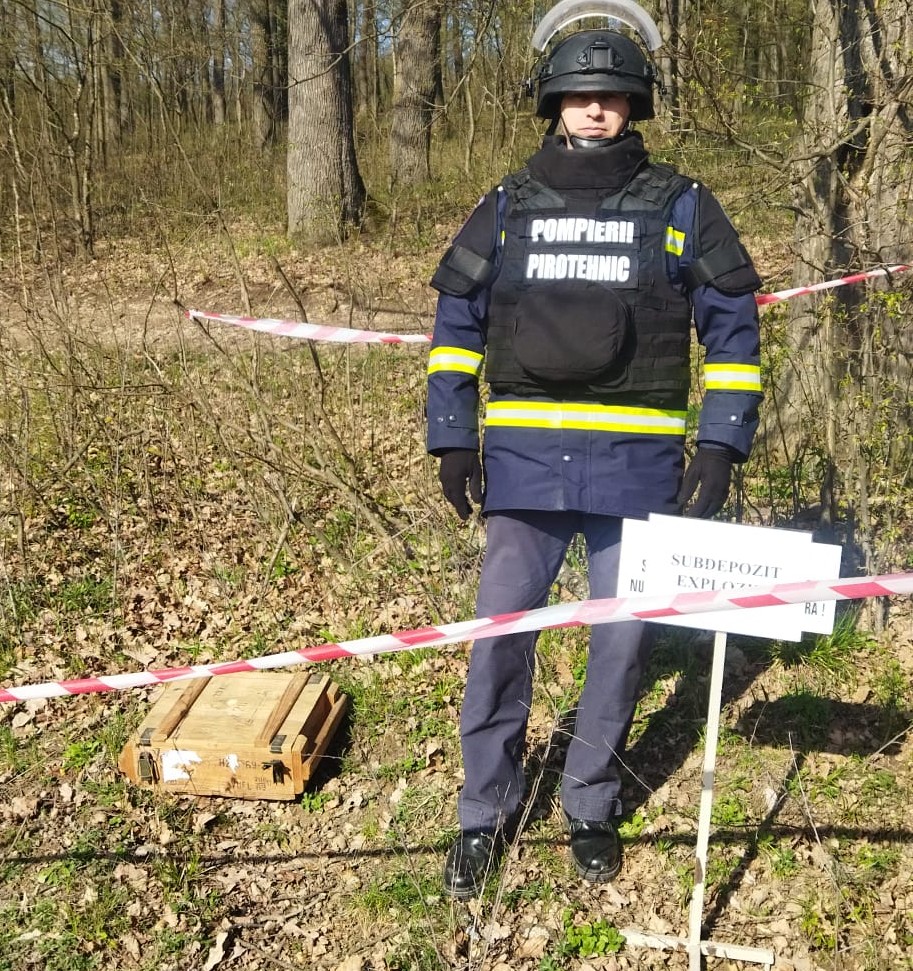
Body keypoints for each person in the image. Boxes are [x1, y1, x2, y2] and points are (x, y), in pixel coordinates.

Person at [426, 4, 763, 900]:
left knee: (618, 644)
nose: (593, 108)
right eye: (578, 94)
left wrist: (720, 443)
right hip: (524, 465)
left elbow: (733, 329)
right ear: (552, 102)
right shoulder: (507, 205)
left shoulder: (683, 205)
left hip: (636, 465)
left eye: (611, 96)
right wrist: (451, 435)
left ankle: (589, 803)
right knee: (500, 638)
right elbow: (456, 323)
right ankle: (482, 811)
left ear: (634, 104)